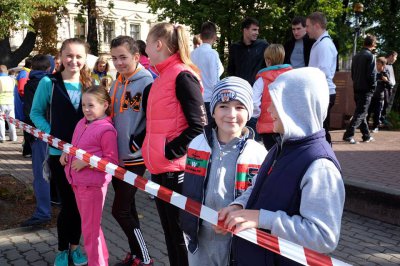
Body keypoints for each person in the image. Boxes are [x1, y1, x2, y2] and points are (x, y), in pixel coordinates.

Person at [217, 67, 345, 266]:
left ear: (296, 106)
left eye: (276, 103)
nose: (269, 110)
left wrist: (262, 218)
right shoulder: (280, 148)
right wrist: (238, 206)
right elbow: (258, 187)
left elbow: (323, 237)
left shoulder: (320, 166)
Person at [180, 76, 267, 266]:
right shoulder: (197, 145)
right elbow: (189, 189)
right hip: (200, 239)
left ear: (250, 111)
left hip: (238, 242)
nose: (231, 114)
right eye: (223, 106)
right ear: (212, 111)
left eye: (240, 107)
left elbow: (260, 199)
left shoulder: (259, 154)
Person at [143, 22, 207, 266]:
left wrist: (169, 152)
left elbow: (199, 126)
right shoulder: (161, 77)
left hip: (175, 170)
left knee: (179, 235)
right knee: (170, 234)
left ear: (158, 44)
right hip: (162, 168)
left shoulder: (182, 75)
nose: (145, 49)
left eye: (147, 44)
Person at [30, 38, 91, 266]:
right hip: (59, 156)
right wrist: (53, 137)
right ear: (60, 56)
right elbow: (36, 113)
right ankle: (62, 250)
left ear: (85, 59)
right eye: (69, 55)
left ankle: (75, 248)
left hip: (83, 158)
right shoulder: (50, 82)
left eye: (79, 56)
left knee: (78, 205)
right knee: (68, 204)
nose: (73, 60)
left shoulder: (89, 83)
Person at [60, 86, 118, 266]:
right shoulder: (82, 123)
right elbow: (75, 146)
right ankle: (101, 260)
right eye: (84, 105)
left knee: (90, 230)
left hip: (92, 186)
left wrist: (87, 162)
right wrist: (67, 153)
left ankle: (98, 262)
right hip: (77, 182)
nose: (86, 109)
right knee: (91, 228)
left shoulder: (106, 130)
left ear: (105, 105)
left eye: (91, 105)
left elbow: (111, 160)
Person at [109, 35, 154, 266]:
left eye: (123, 58)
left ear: (136, 57)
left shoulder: (147, 82)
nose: (118, 63)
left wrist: (138, 141)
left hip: (135, 158)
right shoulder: (116, 80)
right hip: (115, 156)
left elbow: (155, 119)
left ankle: (145, 258)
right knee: (129, 210)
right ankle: (136, 254)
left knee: (120, 211)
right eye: (114, 58)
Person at [20, 55, 54, 227]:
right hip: (50, 135)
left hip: (41, 136)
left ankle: (43, 212)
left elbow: (28, 113)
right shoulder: (51, 82)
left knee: (42, 174)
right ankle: (49, 205)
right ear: (49, 68)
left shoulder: (31, 83)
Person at [253, 44, 292, 150]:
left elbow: (254, 102)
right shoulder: (290, 77)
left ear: (268, 61)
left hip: (267, 127)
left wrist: (256, 115)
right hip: (287, 125)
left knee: (270, 155)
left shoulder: (261, 80)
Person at [306, 12, 338, 145]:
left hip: (323, 92)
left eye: (308, 26)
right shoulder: (321, 43)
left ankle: (326, 156)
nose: (306, 29)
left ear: (317, 25)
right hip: (322, 91)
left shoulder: (324, 45)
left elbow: (322, 72)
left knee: (321, 129)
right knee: (320, 128)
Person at [343, 35, 377, 144]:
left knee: (362, 112)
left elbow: (353, 74)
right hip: (366, 89)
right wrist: (373, 87)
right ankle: (348, 135)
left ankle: (366, 135)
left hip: (357, 87)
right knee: (361, 113)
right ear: (373, 45)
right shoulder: (370, 56)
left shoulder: (356, 56)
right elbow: (371, 75)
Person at [191, 21, 224, 123]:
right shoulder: (212, 53)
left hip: (195, 97)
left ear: (200, 36)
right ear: (214, 37)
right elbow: (215, 79)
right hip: (209, 98)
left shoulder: (192, 54)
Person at [228, 17, 269, 86]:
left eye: (257, 30)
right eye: (254, 30)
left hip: (258, 89)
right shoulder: (235, 47)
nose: (257, 33)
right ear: (245, 30)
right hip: (240, 89)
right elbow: (231, 70)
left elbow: (269, 66)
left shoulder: (263, 45)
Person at [368, 57, 392, 132]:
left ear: (383, 65)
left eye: (378, 64)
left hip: (379, 97)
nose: (377, 65)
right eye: (376, 63)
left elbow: (390, 86)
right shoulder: (373, 72)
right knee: (368, 112)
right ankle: (365, 127)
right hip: (371, 96)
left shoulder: (385, 73)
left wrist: (387, 81)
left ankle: (375, 127)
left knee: (377, 113)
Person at [0, 65, 17, 143]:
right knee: (11, 120)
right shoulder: (12, 79)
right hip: (10, 101)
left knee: (1, 120)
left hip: (1, 102)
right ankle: (13, 137)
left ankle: (2, 137)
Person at [383, 51, 398, 122]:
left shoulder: (390, 65)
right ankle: (380, 119)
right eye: (395, 57)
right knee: (383, 104)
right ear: (391, 56)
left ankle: (382, 118)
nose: (396, 59)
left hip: (390, 87)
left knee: (386, 104)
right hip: (384, 87)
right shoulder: (383, 63)